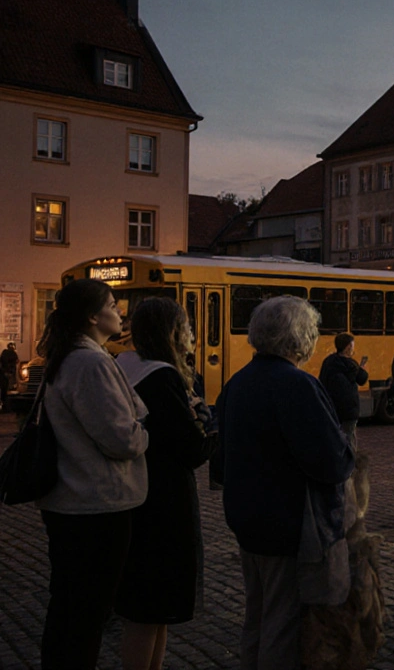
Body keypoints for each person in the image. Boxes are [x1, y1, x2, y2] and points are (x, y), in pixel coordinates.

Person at [217, 296, 354, 670]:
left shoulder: (238, 381)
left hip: (246, 518)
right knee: (282, 623)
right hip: (289, 522)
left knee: (257, 617)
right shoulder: (297, 385)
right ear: (300, 338)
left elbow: (221, 457)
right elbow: (331, 462)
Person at [34, 279, 150, 669]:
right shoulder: (91, 362)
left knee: (69, 607)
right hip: (96, 505)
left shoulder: (69, 356)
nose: (120, 312)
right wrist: (145, 434)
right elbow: (121, 439)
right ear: (92, 316)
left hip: (73, 501)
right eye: (114, 305)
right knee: (86, 612)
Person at [113, 298, 216, 670]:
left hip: (134, 493)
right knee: (152, 606)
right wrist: (209, 426)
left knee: (149, 610)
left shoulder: (122, 366)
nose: (191, 334)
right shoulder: (163, 376)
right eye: (186, 327)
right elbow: (191, 449)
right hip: (164, 501)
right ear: (173, 333)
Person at [319, 332, 368, 449]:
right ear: (348, 347)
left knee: (334, 437)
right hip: (349, 409)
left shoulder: (329, 362)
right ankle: (349, 464)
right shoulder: (352, 365)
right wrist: (363, 369)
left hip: (332, 407)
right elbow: (361, 379)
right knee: (349, 438)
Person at [1, 341, 18, 410]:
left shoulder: (4, 352)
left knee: (4, 389)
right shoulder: (13, 353)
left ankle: (5, 404)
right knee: (7, 388)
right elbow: (16, 362)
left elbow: (2, 361)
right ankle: (7, 405)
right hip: (8, 372)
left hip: (4, 372)